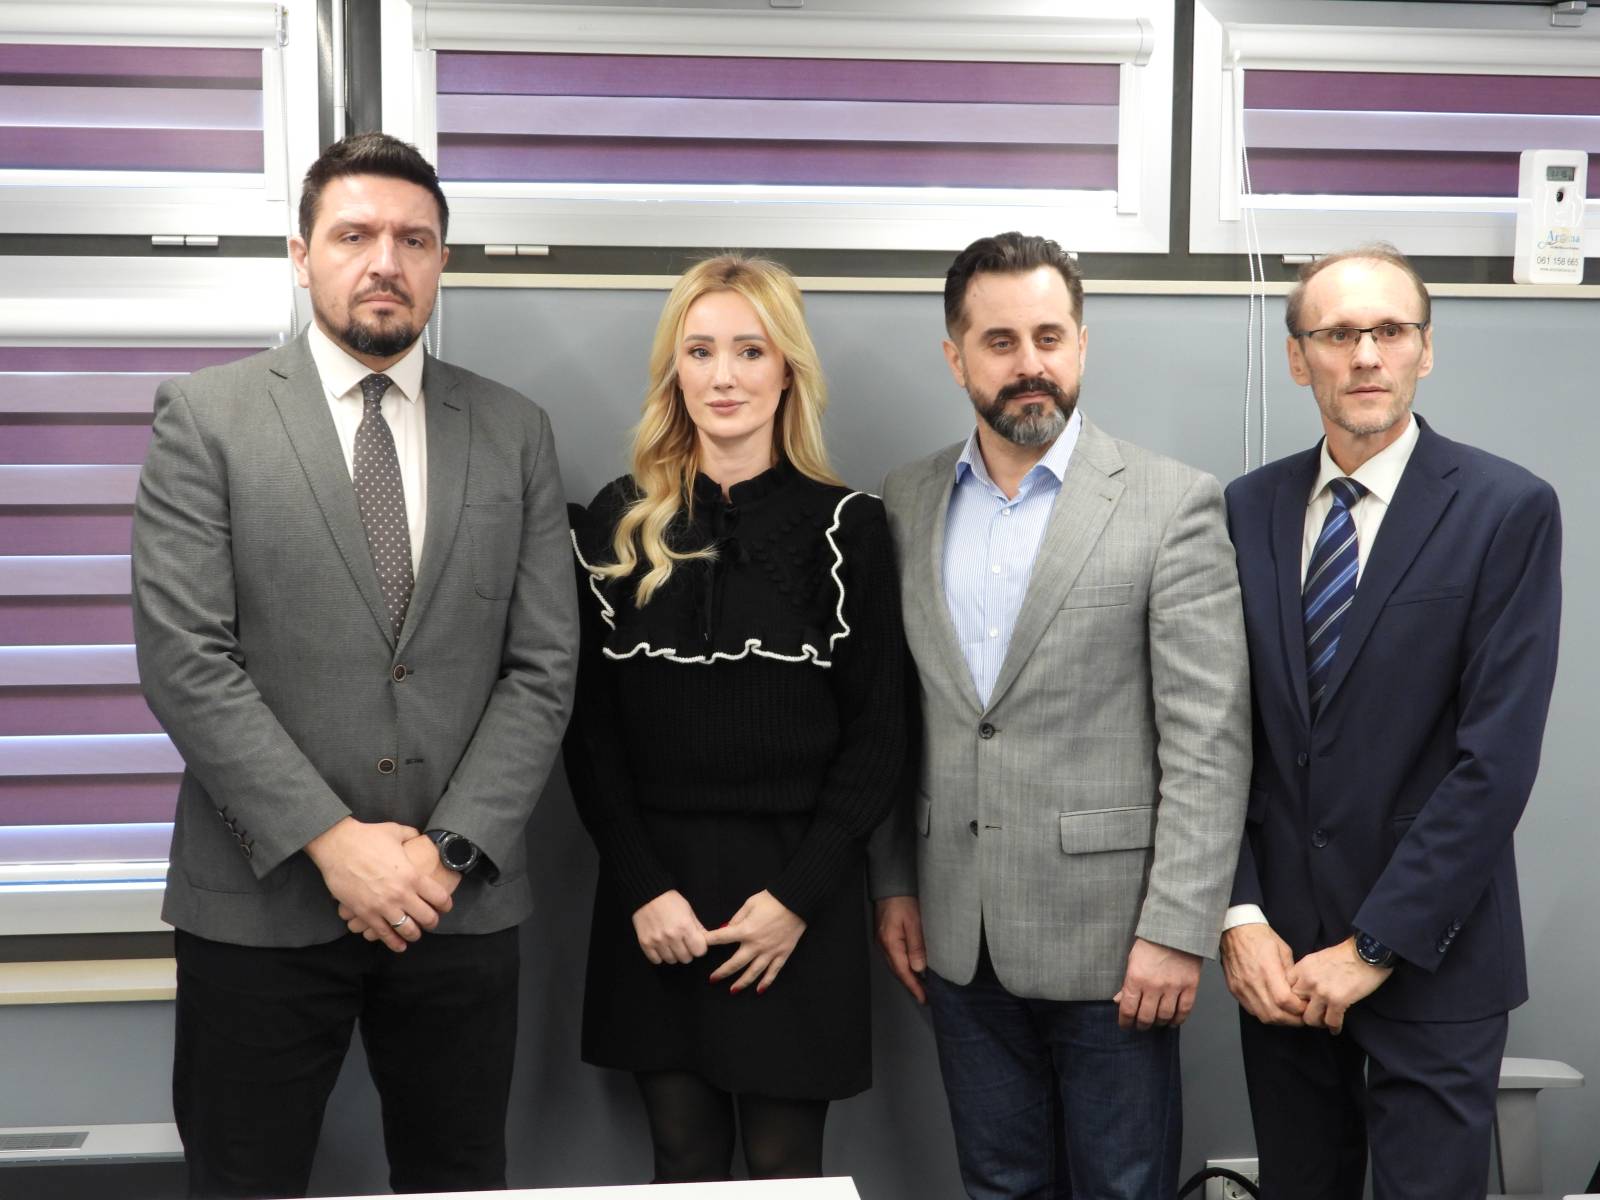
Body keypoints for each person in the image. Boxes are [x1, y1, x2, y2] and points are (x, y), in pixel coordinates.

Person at [131, 132, 577, 1198]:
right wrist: (336, 846)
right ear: (301, 255)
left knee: (458, 1178)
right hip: (260, 901)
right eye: (354, 235)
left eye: (413, 240)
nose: (386, 261)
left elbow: (542, 667)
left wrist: (445, 854)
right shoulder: (208, 418)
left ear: (441, 262)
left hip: (455, 902)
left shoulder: (514, 431)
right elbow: (187, 659)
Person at [869, 232, 1251, 1199]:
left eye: (1049, 336)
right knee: (998, 1186)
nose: (1029, 363)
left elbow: (1208, 743)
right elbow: (893, 720)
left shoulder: (1172, 503)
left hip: (1116, 943)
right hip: (957, 935)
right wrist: (894, 882)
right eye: (999, 341)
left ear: (1083, 344)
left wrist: (1179, 929)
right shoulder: (905, 503)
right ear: (955, 357)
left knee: (1122, 1188)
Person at [1220, 244, 1562, 1199]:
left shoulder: (1505, 510)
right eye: (1337, 334)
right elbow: (1217, 740)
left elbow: (1494, 762)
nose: (1366, 354)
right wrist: (1240, 915)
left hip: (1434, 957)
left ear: (1425, 348)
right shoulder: (1245, 511)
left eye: (1390, 330)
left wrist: (1374, 946)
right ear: (1299, 358)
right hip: (1282, 964)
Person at [564, 254, 908, 1182]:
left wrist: (796, 900)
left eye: (750, 351)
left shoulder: (850, 529)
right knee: (681, 1159)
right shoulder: (615, 525)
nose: (724, 376)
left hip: (800, 892)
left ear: (787, 369)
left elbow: (880, 738)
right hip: (654, 893)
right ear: (673, 371)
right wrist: (642, 887)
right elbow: (589, 734)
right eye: (701, 351)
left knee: (786, 1165)